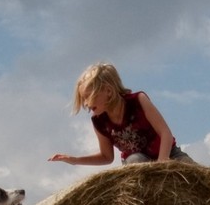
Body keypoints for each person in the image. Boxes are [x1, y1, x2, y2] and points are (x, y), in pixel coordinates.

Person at [49, 62, 195, 166]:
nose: (86, 103)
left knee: (194, 173)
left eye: (88, 97)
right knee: (135, 160)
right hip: (136, 162)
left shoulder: (138, 101)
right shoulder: (99, 121)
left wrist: (162, 164)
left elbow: (165, 134)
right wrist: (76, 160)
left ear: (108, 90)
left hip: (169, 153)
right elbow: (106, 157)